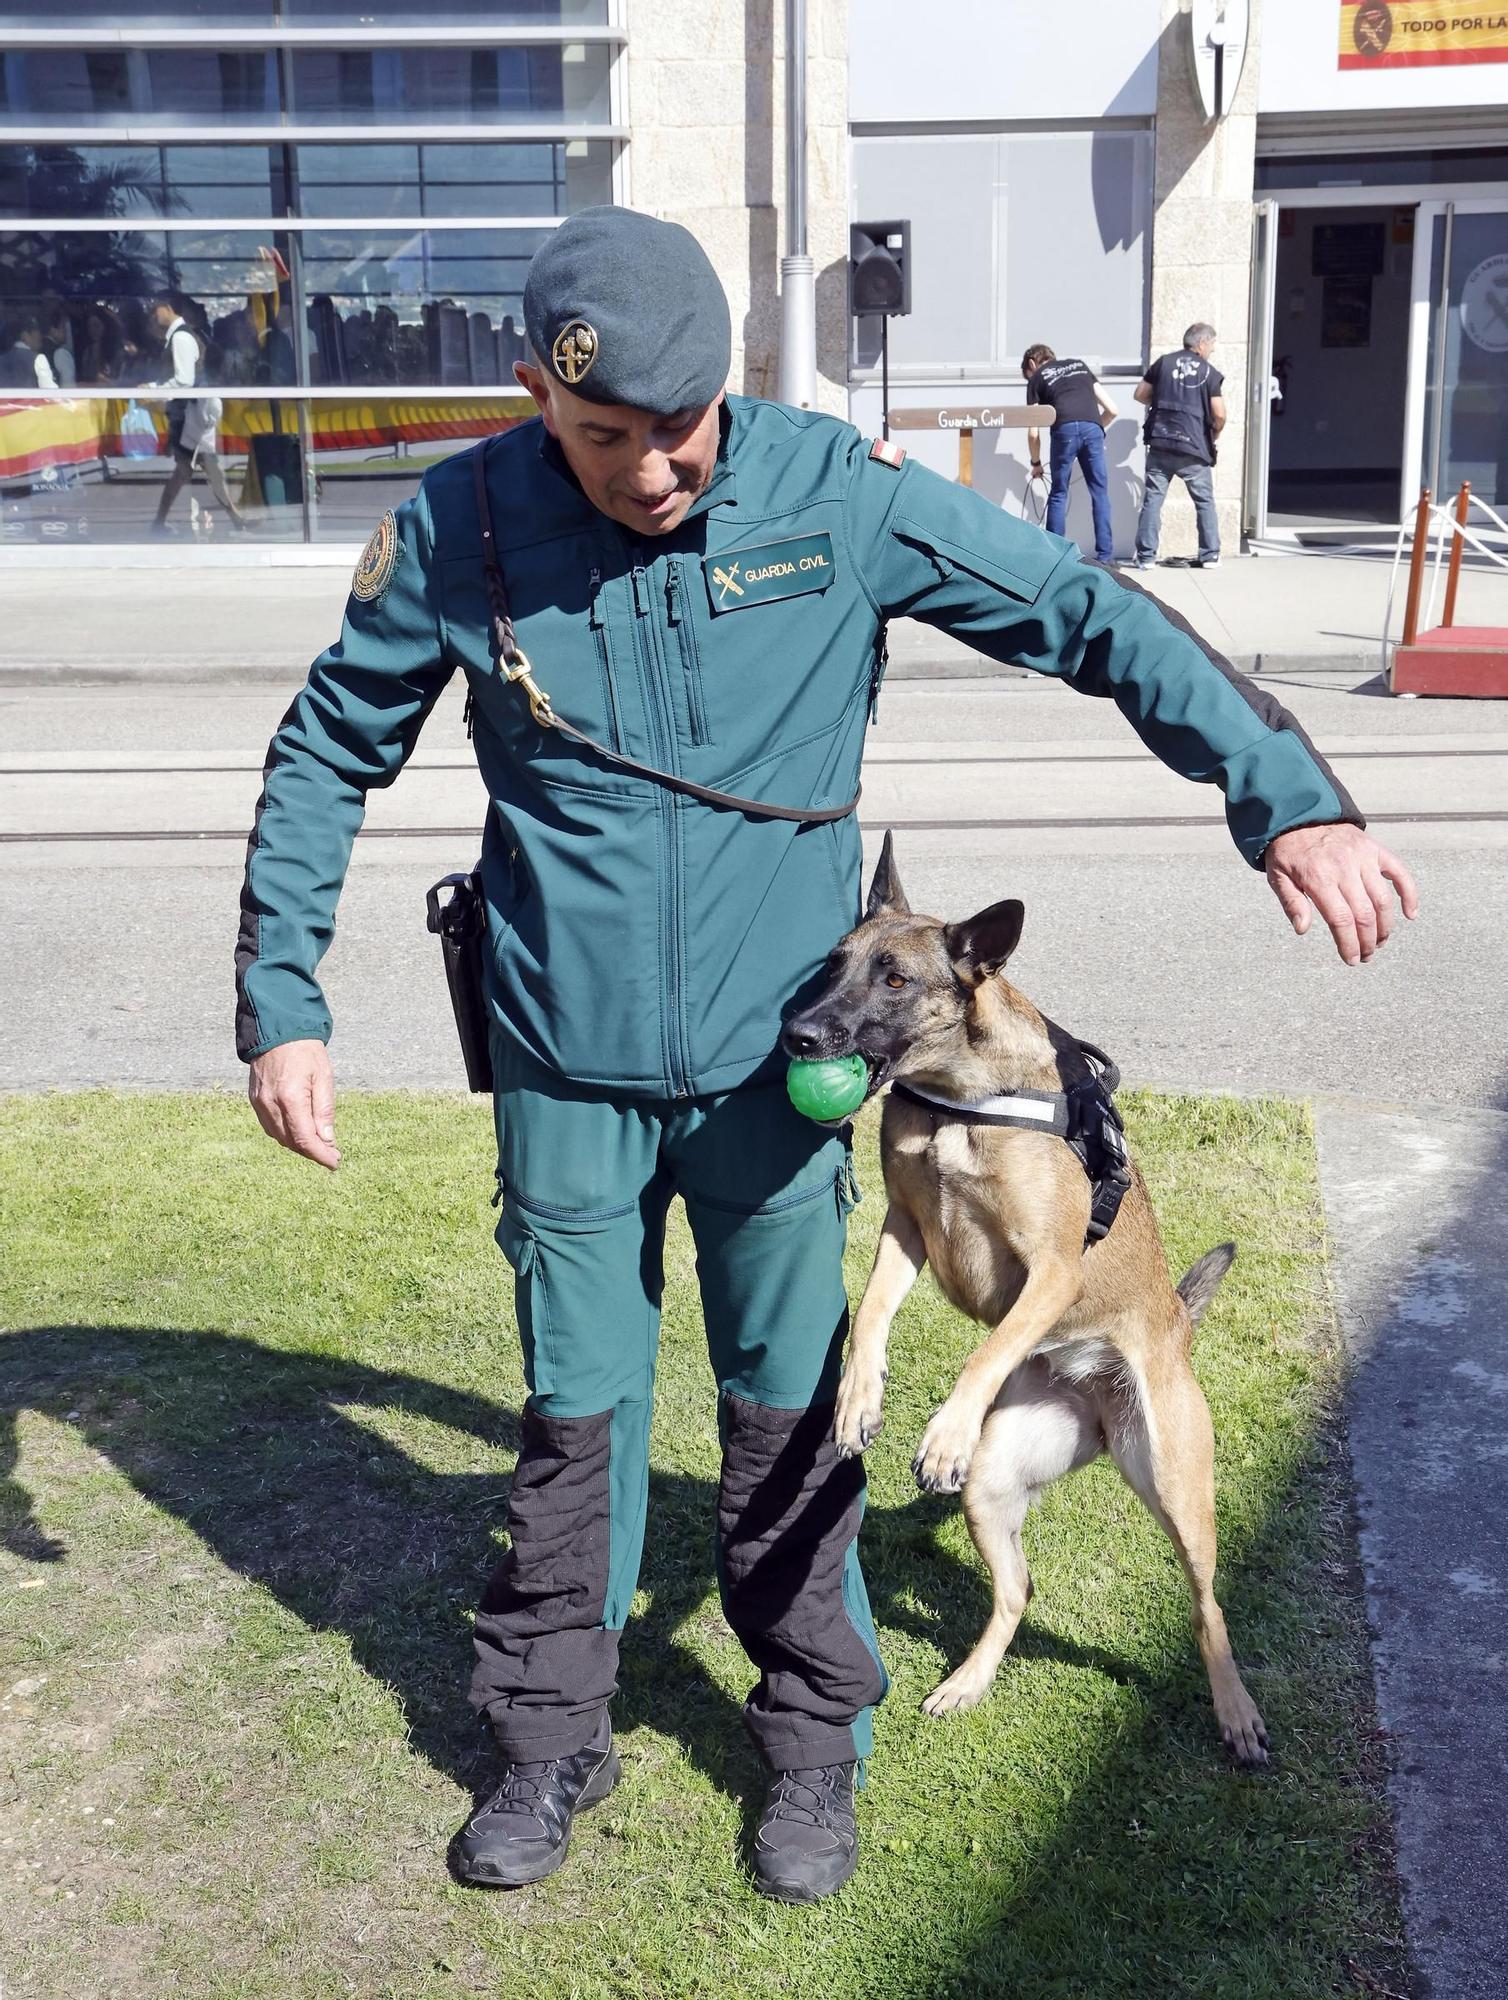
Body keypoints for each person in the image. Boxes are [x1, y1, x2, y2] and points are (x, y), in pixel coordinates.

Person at [235, 206, 1417, 1907]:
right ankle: (549, 1731)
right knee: (574, 1414)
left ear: (733, 387)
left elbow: (1085, 612)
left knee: (787, 1414)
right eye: (602, 438)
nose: (651, 470)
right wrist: (283, 995)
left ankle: (806, 1741)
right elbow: (326, 744)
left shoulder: (827, 495)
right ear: (530, 398)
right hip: (563, 1061)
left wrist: (1285, 794)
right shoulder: (460, 516)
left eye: (683, 428)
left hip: (768, 1078)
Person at [146, 291, 246, 535]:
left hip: (193, 414)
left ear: (167, 308)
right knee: (198, 467)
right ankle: (235, 518)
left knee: (191, 468)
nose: (154, 313)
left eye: (156, 308)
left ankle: (159, 523)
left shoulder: (180, 339)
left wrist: (153, 390)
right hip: (194, 412)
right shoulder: (182, 337)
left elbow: (184, 381)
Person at [1133, 322, 1225, 569]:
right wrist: (1214, 436)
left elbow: (1140, 393)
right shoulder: (1208, 372)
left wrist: (1162, 397)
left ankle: (1146, 558)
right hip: (1193, 446)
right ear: (1202, 343)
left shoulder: (1163, 363)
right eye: (1212, 344)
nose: (1212, 350)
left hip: (1161, 442)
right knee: (1204, 501)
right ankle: (1210, 555)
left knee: (1153, 499)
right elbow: (1220, 414)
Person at [1022, 345, 1119, 564]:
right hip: (1093, 428)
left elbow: (1033, 431)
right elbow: (1113, 409)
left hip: (1063, 430)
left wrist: (1035, 463)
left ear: (1032, 364)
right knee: (1100, 493)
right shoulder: (1080, 365)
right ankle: (1105, 557)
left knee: (1058, 493)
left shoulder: (1037, 377)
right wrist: (1093, 430)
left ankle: (1055, 558)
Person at [0, 314, 57, 390]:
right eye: (37, 331)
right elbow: (51, 393)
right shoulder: (38, 358)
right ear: (25, 335)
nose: (40, 336)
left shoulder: (1, 359)